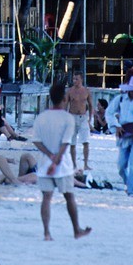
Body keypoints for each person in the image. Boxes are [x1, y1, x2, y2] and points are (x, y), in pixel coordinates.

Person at [32, 82, 92, 240]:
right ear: (65, 98)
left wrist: (50, 157)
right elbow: (65, 143)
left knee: (46, 197)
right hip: (63, 165)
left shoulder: (42, 117)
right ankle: (76, 230)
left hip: (45, 162)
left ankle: (46, 232)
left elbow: (36, 141)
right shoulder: (67, 118)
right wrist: (56, 161)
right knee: (69, 196)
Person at [65, 74, 93, 172]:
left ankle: (85, 164)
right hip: (72, 117)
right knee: (72, 143)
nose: (74, 80)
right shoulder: (70, 91)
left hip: (83, 117)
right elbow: (65, 105)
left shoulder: (86, 91)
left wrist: (90, 119)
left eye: (76, 79)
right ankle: (73, 164)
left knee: (86, 141)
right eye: (73, 78)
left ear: (81, 79)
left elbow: (90, 105)